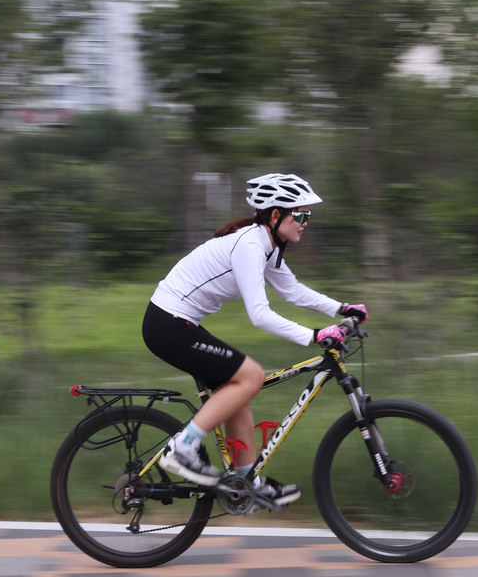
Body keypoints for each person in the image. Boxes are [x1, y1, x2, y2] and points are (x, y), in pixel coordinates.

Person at [142, 173, 369, 509]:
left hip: (179, 323)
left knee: (239, 388)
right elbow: (259, 315)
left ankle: (247, 481)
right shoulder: (249, 246)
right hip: (168, 324)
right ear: (276, 215)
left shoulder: (267, 246)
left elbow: (292, 291)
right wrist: (314, 335)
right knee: (251, 376)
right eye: (300, 215)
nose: (306, 222)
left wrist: (341, 308)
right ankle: (182, 448)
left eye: (308, 215)